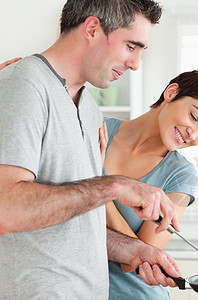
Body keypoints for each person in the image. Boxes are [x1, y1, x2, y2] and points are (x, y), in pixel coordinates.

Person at [0, 0, 183, 298]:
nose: (136, 64)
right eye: (131, 47)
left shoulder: (89, 109)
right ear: (93, 28)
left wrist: (134, 250)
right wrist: (113, 186)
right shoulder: (23, 85)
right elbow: (5, 209)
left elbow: (74, 221)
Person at [104, 68, 198, 299]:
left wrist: (97, 184)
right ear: (171, 93)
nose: (193, 135)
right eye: (194, 117)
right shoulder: (96, 129)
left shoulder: (181, 175)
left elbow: (136, 259)